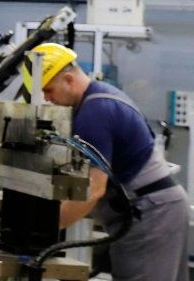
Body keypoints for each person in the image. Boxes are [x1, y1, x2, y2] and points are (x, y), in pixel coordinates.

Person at [28, 42, 188, 281]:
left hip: (150, 214)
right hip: (153, 210)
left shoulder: (95, 113)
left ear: (69, 79)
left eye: (49, 90)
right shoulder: (99, 98)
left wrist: (41, 231)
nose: (47, 98)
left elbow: (94, 190)